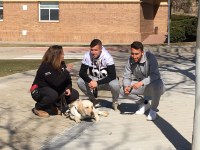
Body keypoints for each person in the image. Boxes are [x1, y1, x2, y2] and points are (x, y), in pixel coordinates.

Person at [120, 41, 165, 120]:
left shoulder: (150, 58)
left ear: (142, 52)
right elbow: (126, 76)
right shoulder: (130, 60)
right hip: (143, 87)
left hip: (157, 87)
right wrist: (126, 86)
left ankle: (153, 110)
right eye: (132, 53)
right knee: (121, 90)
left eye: (136, 54)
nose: (134, 56)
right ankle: (144, 104)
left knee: (156, 84)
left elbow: (155, 75)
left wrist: (141, 83)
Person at [30, 45, 79, 118]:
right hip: (39, 90)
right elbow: (56, 82)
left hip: (54, 89)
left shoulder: (61, 64)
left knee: (74, 94)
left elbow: (67, 79)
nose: (63, 55)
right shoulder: (46, 66)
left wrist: (68, 88)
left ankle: (53, 107)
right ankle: (38, 108)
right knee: (52, 95)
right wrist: (67, 71)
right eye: (62, 54)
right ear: (56, 55)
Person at [77, 39, 120, 111]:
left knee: (115, 85)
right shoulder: (87, 55)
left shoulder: (107, 57)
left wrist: (97, 83)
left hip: (106, 81)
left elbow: (113, 75)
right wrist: (90, 81)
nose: (93, 52)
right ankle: (93, 100)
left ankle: (115, 101)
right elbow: (81, 72)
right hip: (93, 80)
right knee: (80, 81)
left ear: (101, 49)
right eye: (92, 50)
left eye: (96, 50)